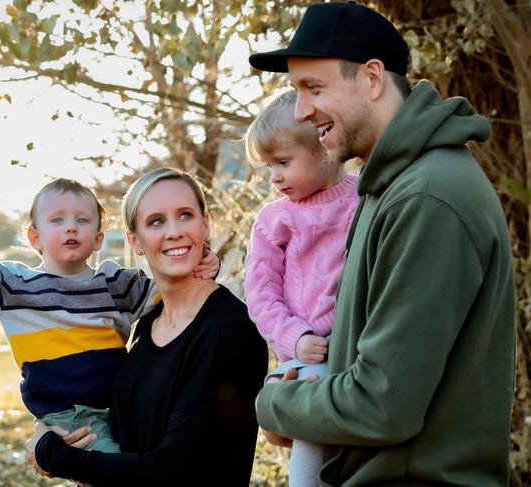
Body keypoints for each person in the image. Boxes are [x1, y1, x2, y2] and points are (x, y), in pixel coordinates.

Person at [248, 2, 515, 486]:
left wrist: (273, 403)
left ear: (372, 79)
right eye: (296, 91)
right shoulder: (387, 187)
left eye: (314, 88)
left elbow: (382, 404)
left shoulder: (428, 197)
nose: (303, 111)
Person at [0, 177, 219, 455]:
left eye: (82, 220)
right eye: (57, 220)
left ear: (99, 238)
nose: (71, 228)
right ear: (34, 237)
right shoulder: (12, 285)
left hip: (122, 406)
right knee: (116, 469)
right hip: (71, 417)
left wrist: (206, 264)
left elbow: (175, 289)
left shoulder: (116, 284)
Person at [25, 168, 269, 487]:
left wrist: (52, 454)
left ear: (205, 224)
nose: (174, 231)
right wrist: (64, 433)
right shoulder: (149, 321)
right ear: (135, 241)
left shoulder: (229, 329)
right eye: (156, 221)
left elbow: (173, 470)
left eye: (185, 215)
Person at [243, 89, 358, 486]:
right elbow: (260, 294)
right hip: (307, 358)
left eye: (283, 162)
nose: (274, 176)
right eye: (269, 166)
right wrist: (294, 337)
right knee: (311, 425)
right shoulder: (276, 219)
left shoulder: (366, 197)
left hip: (360, 353)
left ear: (325, 148)